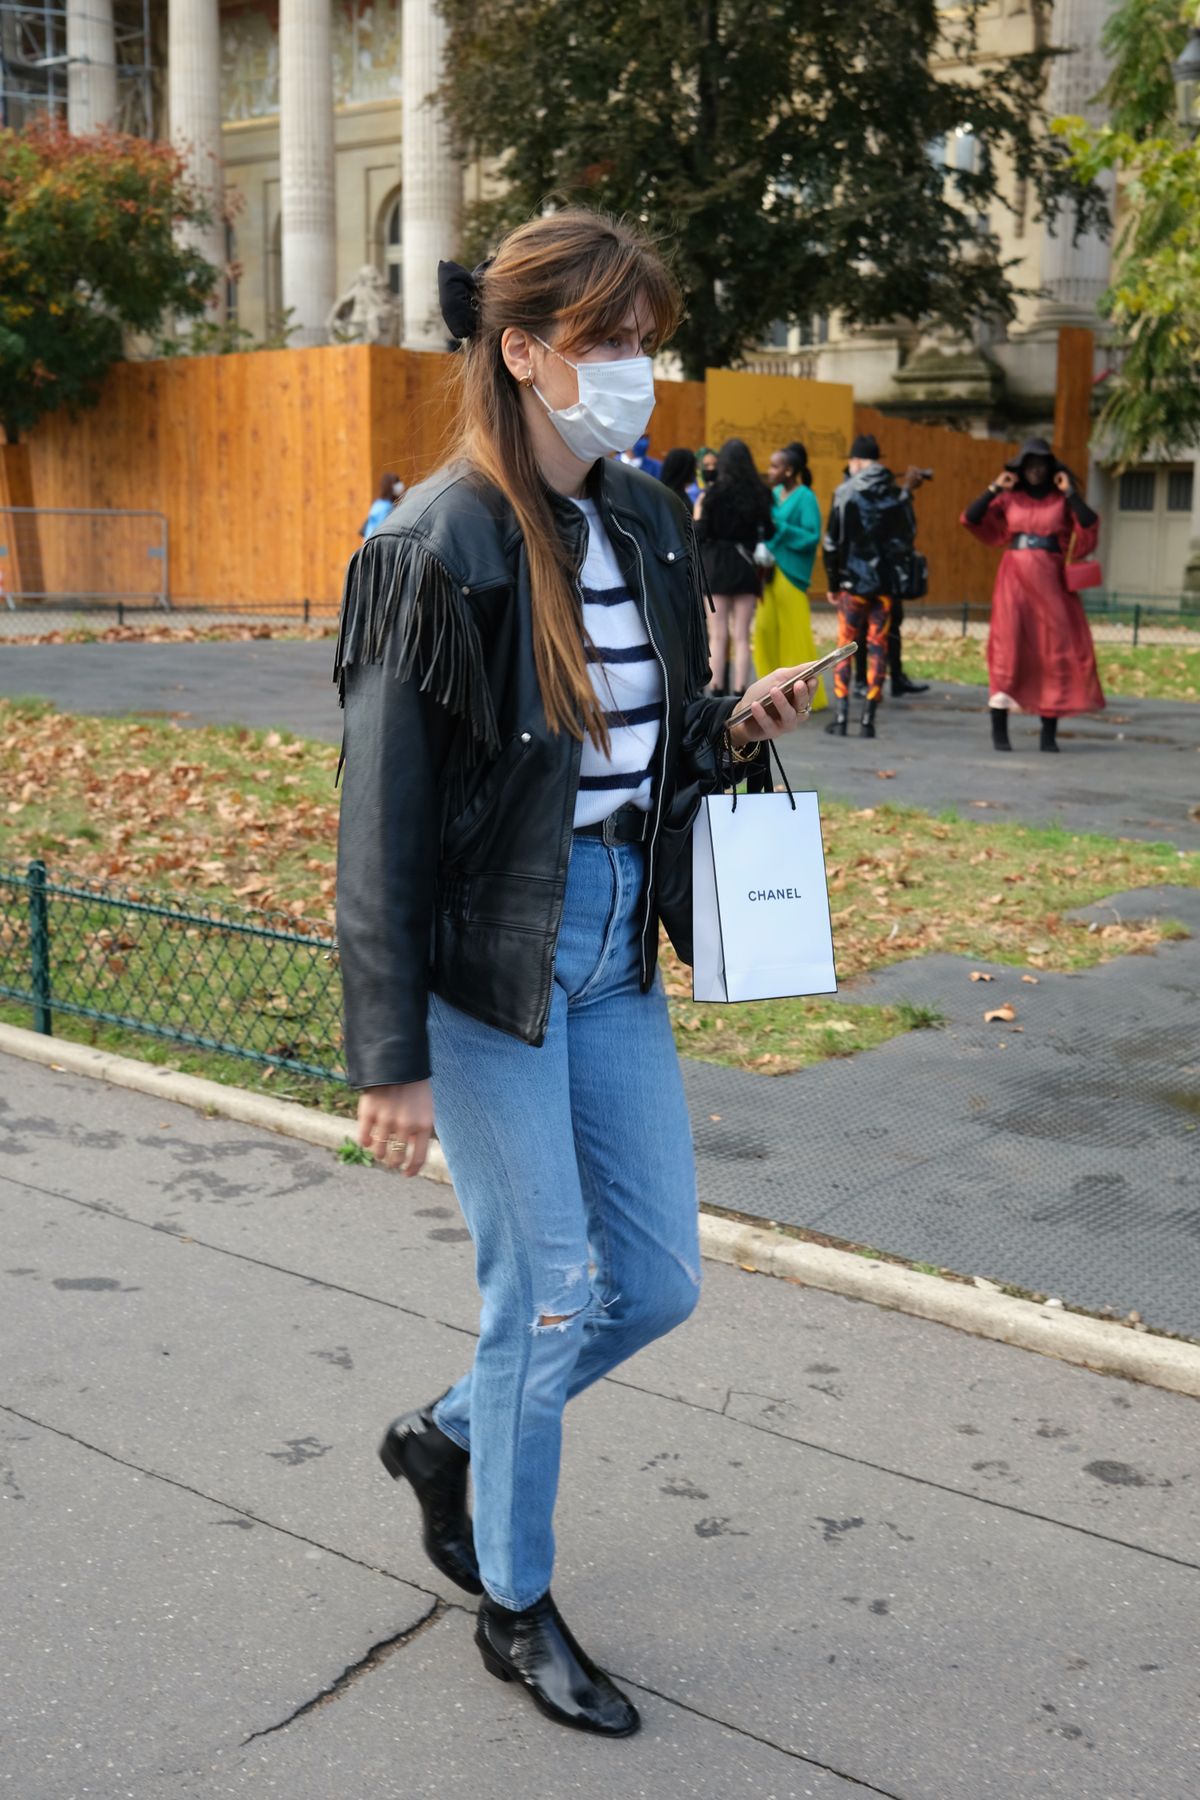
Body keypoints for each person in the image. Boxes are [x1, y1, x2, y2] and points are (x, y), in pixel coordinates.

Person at [334, 209, 818, 1740]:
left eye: (648, 342)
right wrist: (386, 1053)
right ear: (524, 351)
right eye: (606, 345)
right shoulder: (433, 546)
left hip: (615, 951)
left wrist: (733, 730)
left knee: (656, 1282)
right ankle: (516, 1601)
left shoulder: (649, 520)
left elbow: (632, 757)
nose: (638, 374)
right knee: (544, 1298)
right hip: (489, 968)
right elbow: (383, 828)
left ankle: (450, 1438)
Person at [960, 436, 1104, 751]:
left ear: (1050, 467)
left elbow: (1090, 525)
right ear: (1020, 468)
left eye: (1040, 464)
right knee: (1007, 648)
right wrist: (995, 488)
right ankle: (1000, 731)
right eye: (1029, 465)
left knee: (1053, 652)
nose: (1035, 470)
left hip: (1052, 581)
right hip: (1014, 580)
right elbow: (970, 518)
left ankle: (1048, 734)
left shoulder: (1061, 499)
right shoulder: (1010, 499)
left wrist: (1070, 491)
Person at [821, 433, 922, 739]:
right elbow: (907, 536)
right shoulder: (893, 493)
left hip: (852, 584)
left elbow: (831, 543)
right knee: (879, 647)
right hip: (884, 587)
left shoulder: (844, 492)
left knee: (844, 647)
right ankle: (868, 719)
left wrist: (833, 581)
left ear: (857, 461)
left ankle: (841, 718)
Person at [693, 437, 774, 695]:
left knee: (717, 636)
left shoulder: (713, 494)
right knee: (741, 636)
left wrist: (697, 516)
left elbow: (701, 534)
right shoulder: (760, 494)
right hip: (745, 567)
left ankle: (716, 691)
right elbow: (770, 530)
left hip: (716, 568)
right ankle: (741, 691)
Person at [753, 444, 827, 713]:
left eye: (775, 466)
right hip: (768, 570)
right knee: (764, 629)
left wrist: (780, 528)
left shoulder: (806, 497)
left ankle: (805, 695)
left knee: (793, 631)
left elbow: (811, 536)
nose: (770, 471)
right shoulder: (773, 494)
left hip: (791, 572)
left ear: (789, 470)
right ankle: (768, 691)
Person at [360, 471, 404, 539]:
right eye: (397, 482)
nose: (400, 485)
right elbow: (383, 532)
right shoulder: (386, 507)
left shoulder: (378, 504)